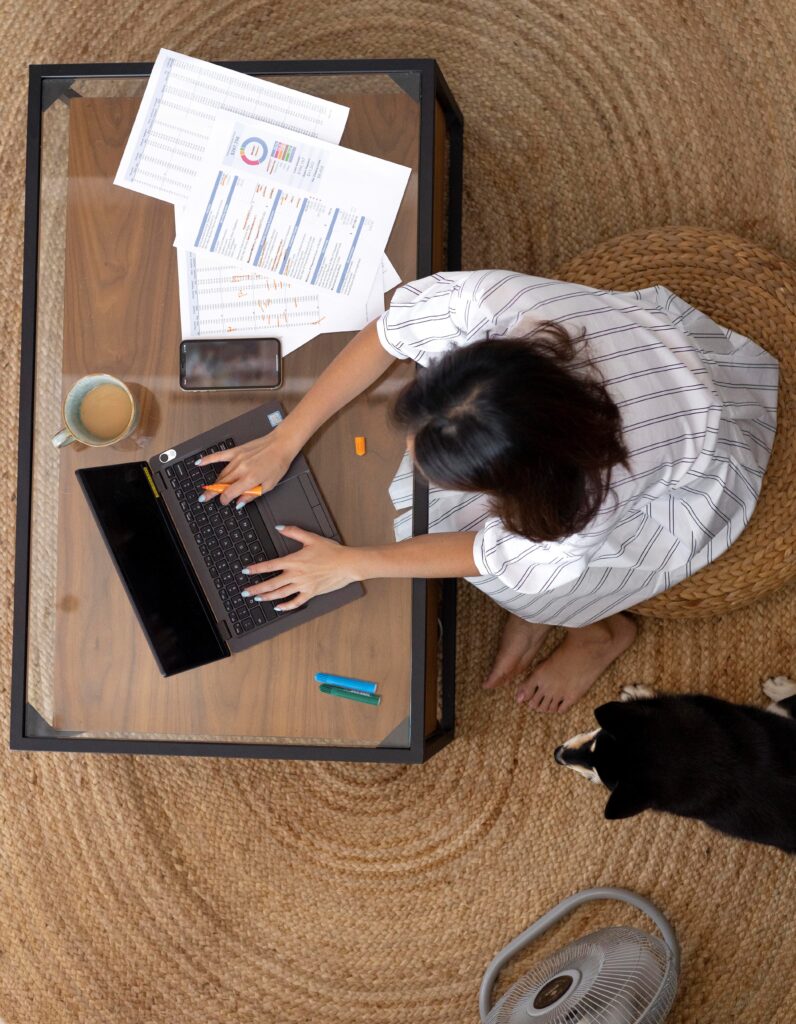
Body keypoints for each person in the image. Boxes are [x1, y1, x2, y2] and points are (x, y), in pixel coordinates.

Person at [197, 271, 779, 712]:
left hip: (695, 476)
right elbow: (389, 331)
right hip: (655, 360)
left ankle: (598, 630)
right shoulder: (489, 305)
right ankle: (550, 609)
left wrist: (351, 564)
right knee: (474, 545)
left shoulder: (581, 504)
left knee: (524, 582)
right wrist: (287, 437)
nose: (411, 455)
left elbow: (486, 554)